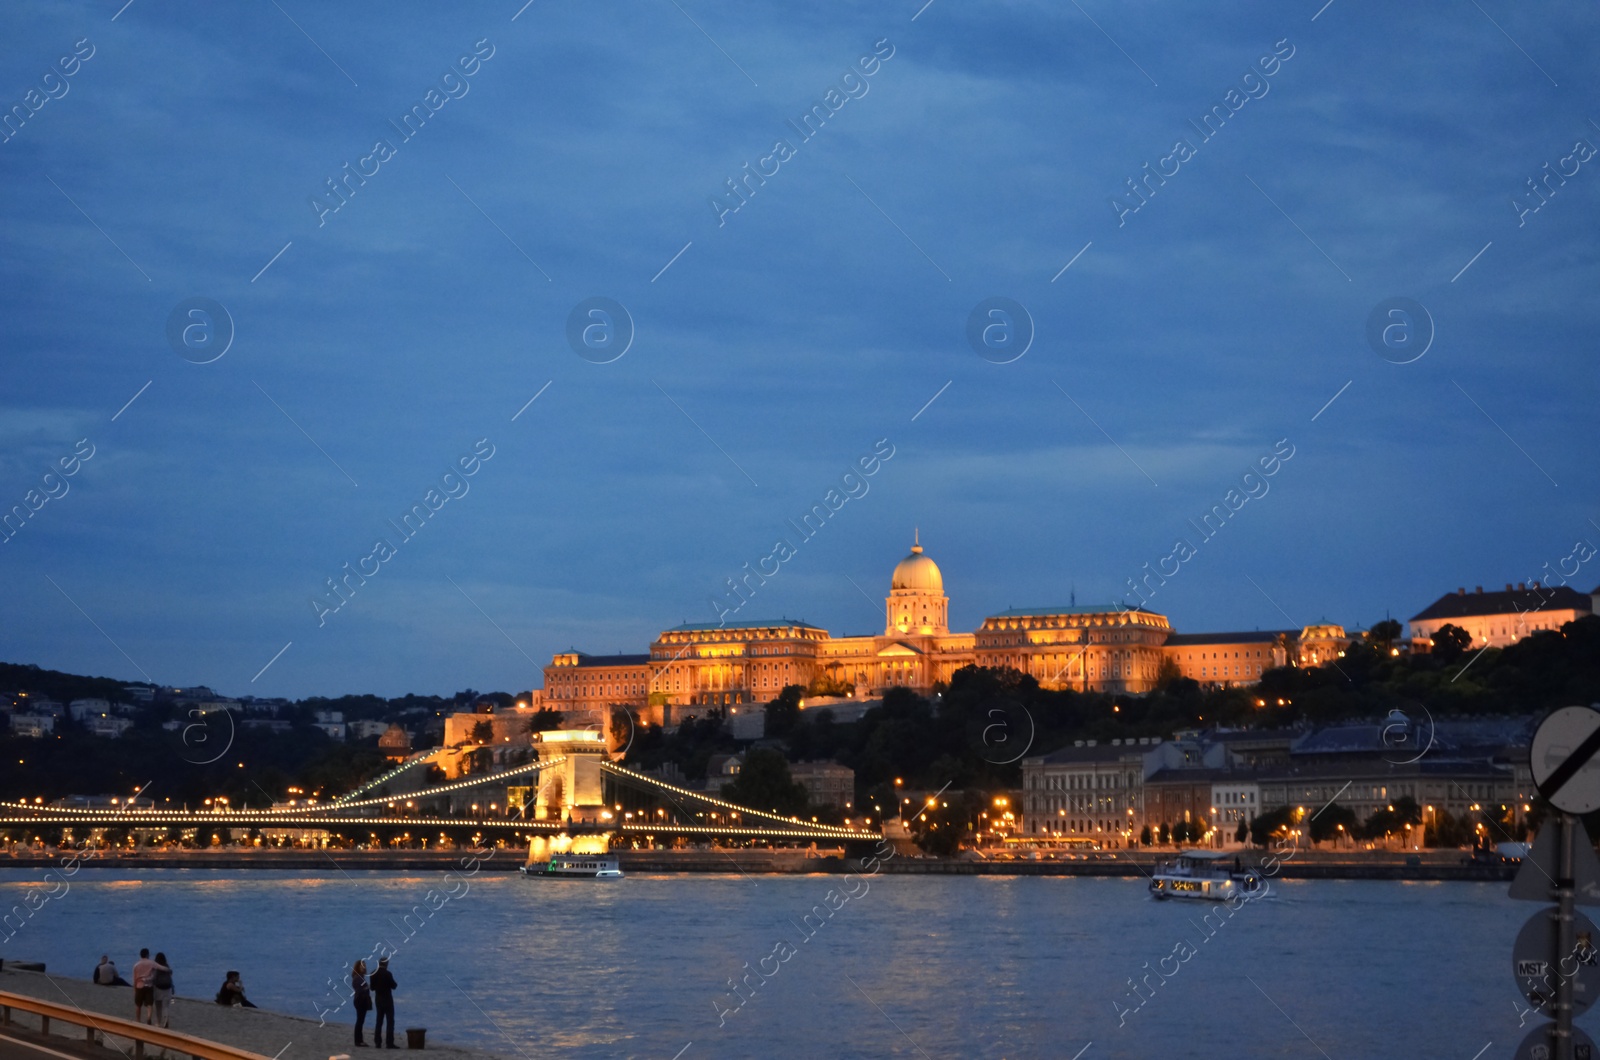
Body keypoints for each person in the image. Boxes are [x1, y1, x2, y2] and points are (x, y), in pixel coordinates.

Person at [369, 956, 397, 1049]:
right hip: (387, 999)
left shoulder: (373, 973)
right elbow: (394, 985)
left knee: (379, 1021)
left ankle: (378, 1042)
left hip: (378, 999)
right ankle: (389, 1042)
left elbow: (372, 988)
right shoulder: (388, 974)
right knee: (390, 1021)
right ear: (387, 964)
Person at [131, 949, 157, 1023]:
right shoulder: (151, 963)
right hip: (149, 985)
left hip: (139, 985)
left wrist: (135, 988)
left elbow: (135, 978)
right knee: (149, 1004)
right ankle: (148, 1018)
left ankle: (138, 1020)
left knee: (138, 1004)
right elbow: (154, 974)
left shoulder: (136, 965)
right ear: (147, 955)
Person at [351, 959, 372, 1047]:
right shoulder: (358, 978)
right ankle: (358, 1040)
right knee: (360, 1020)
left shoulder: (360, 977)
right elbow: (360, 990)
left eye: (364, 965)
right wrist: (367, 988)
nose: (364, 967)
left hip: (361, 1000)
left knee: (360, 1020)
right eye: (362, 965)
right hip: (360, 1000)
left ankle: (359, 1040)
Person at [151, 953, 174, 1028]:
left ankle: (158, 1022)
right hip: (168, 988)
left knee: (158, 1007)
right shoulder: (167, 966)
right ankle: (166, 1021)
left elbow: (154, 977)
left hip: (158, 988)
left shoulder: (156, 967)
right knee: (166, 1006)